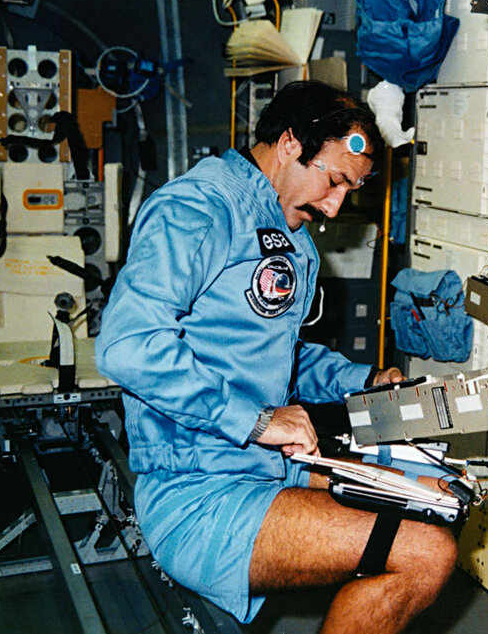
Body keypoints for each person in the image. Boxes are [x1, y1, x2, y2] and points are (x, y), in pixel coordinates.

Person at [96, 81, 458, 634]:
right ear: (290, 143)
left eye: (349, 190)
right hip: (197, 488)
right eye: (334, 181)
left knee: (434, 496)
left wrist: (366, 379)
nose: (334, 206)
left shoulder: (290, 236)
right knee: (425, 553)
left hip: (266, 466)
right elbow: (127, 345)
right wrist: (258, 420)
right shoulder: (198, 209)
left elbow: (277, 358)